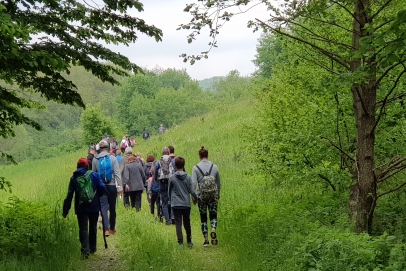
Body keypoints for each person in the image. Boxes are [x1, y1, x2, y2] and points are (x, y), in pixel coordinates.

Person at [62, 158, 107, 258]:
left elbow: (69, 195)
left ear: (77, 166)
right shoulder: (94, 175)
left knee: (83, 228)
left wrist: (65, 210)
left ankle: (85, 250)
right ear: (87, 166)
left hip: (81, 207)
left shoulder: (74, 178)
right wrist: (98, 194)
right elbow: (102, 187)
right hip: (94, 206)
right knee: (93, 226)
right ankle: (93, 248)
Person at [192, 146, 221, 247]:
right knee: (213, 215)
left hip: (202, 197)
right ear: (207, 155)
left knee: (203, 217)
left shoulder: (196, 168)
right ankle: (213, 229)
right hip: (213, 195)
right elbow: (218, 183)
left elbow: (193, 184)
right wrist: (218, 194)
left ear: (199, 156)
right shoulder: (215, 167)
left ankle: (206, 240)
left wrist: (194, 197)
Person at [92, 140, 122, 236]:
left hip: (101, 187)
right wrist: (120, 186)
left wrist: (94, 188)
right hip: (112, 186)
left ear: (99, 149)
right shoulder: (113, 158)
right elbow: (117, 174)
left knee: (104, 207)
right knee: (112, 207)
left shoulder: (95, 159)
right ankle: (112, 227)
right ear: (108, 147)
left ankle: (106, 229)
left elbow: (94, 174)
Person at [168, 156, 198, 247]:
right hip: (186, 204)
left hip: (176, 203)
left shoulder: (172, 178)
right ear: (184, 165)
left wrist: (170, 200)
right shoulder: (188, 177)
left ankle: (180, 242)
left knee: (178, 223)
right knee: (187, 222)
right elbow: (192, 191)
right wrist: (195, 198)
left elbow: (169, 191)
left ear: (175, 165)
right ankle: (189, 240)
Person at [153, 147, 175, 225]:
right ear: (169, 153)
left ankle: (167, 220)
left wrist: (156, 180)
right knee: (172, 200)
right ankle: (173, 216)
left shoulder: (158, 162)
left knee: (164, 202)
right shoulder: (172, 161)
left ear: (162, 153)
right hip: (171, 182)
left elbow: (155, 174)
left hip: (162, 182)